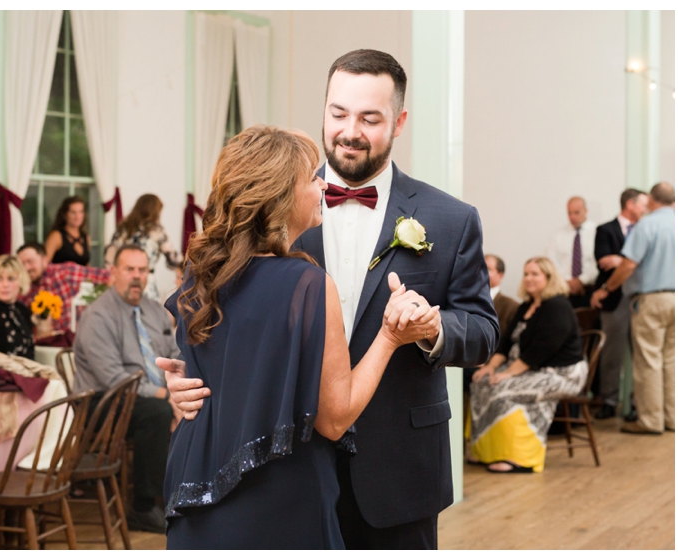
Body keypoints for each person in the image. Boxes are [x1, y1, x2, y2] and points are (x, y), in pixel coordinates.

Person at [163, 49, 498, 549]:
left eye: (369, 118)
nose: (350, 130)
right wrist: (187, 387)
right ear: (323, 109)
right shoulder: (274, 207)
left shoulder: (450, 219)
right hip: (278, 472)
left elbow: (483, 331)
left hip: (396, 474)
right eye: (338, 113)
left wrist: (432, 329)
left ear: (399, 121)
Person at [73, 244, 179, 534]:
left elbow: (175, 354)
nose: (136, 276)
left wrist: (180, 388)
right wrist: (167, 397)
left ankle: (185, 495)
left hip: (151, 396)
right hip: (99, 403)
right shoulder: (98, 316)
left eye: (142, 270)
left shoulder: (155, 311)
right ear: (113, 273)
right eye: (129, 269)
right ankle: (143, 508)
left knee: (198, 402)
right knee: (157, 412)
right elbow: (114, 379)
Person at [468, 257, 586, 473]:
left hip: (562, 374)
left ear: (549, 278)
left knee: (503, 391)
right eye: (526, 274)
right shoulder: (526, 306)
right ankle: (485, 451)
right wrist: (490, 368)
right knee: (481, 383)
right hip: (530, 367)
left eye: (535, 274)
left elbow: (540, 351)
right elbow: (505, 344)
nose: (528, 279)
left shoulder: (557, 306)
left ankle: (518, 458)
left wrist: (508, 375)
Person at [591, 182, 676, 434]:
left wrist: (606, 289)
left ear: (651, 200)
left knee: (648, 361)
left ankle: (650, 421)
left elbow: (628, 266)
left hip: (651, 300)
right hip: (675, 299)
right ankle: (672, 419)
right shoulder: (677, 223)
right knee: (670, 361)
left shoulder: (647, 225)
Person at [590, 188, 648, 420]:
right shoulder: (605, 230)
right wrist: (629, 262)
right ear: (630, 204)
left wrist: (622, 261)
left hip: (639, 298)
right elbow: (603, 262)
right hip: (613, 300)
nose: (645, 209)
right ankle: (608, 401)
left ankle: (637, 404)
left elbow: (639, 262)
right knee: (611, 354)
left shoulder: (646, 229)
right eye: (642, 204)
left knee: (641, 355)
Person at [17, 241, 111, 333]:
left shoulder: (66, 272)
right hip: (44, 344)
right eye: (22, 264)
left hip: (74, 341)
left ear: (45, 259)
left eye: (30, 262)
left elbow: (107, 276)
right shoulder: (22, 289)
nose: (26, 268)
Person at [104, 194, 184, 301]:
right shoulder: (156, 230)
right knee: (149, 315)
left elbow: (109, 258)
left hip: (123, 281)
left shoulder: (123, 229)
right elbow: (174, 259)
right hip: (145, 282)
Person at [464, 254, 520, 392]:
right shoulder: (464, 301)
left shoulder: (511, 306)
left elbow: (508, 342)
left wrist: (489, 363)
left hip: (492, 364)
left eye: (487, 268)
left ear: (500, 275)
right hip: (462, 360)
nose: (480, 271)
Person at [545, 196, 597, 308]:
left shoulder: (597, 232)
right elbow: (553, 261)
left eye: (576, 212)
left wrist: (582, 280)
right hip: (564, 289)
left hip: (590, 288)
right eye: (569, 213)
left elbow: (597, 261)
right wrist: (568, 281)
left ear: (585, 211)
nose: (572, 217)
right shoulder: (558, 235)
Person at [45, 196, 92, 266]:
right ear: (65, 214)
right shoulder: (56, 236)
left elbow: (86, 265)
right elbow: (44, 264)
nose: (77, 216)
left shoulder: (86, 237)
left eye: (80, 212)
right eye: (73, 212)